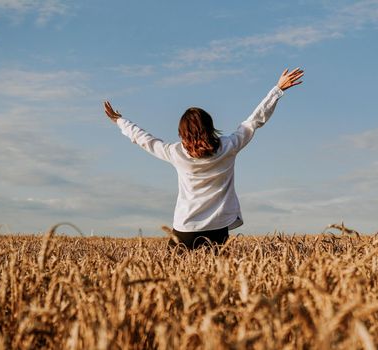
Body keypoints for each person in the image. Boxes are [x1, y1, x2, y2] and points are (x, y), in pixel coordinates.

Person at [104, 67, 304, 249]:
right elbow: (255, 120)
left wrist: (120, 120)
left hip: (186, 228)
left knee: (174, 281)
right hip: (218, 228)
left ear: (182, 132)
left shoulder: (176, 153)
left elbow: (144, 139)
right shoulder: (229, 146)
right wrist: (277, 90)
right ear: (210, 126)